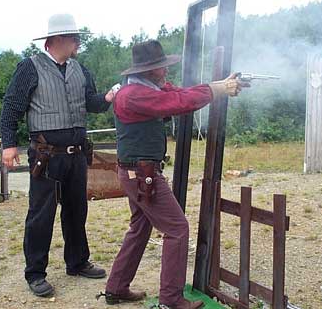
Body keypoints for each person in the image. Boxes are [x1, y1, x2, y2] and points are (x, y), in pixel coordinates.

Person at [97, 40, 249, 308]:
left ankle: (116, 288)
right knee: (178, 229)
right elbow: (178, 101)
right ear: (147, 70)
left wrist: (220, 85)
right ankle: (171, 299)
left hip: (138, 172)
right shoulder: (135, 94)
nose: (165, 71)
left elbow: (181, 94)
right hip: (142, 174)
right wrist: (219, 89)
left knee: (140, 228)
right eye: (160, 67)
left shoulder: (145, 87)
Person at [0, 13, 115, 297]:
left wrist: (110, 97)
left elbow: (92, 104)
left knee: (77, 210)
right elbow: (11, 107)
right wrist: (8, 144)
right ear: (56, 40)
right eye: (73, 38)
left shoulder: (80, 69)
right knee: (41, 214)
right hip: (46, 155)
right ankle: (35, 273)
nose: (78, 42)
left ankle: (77, 262)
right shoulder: (30, 67)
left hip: (77, 155)